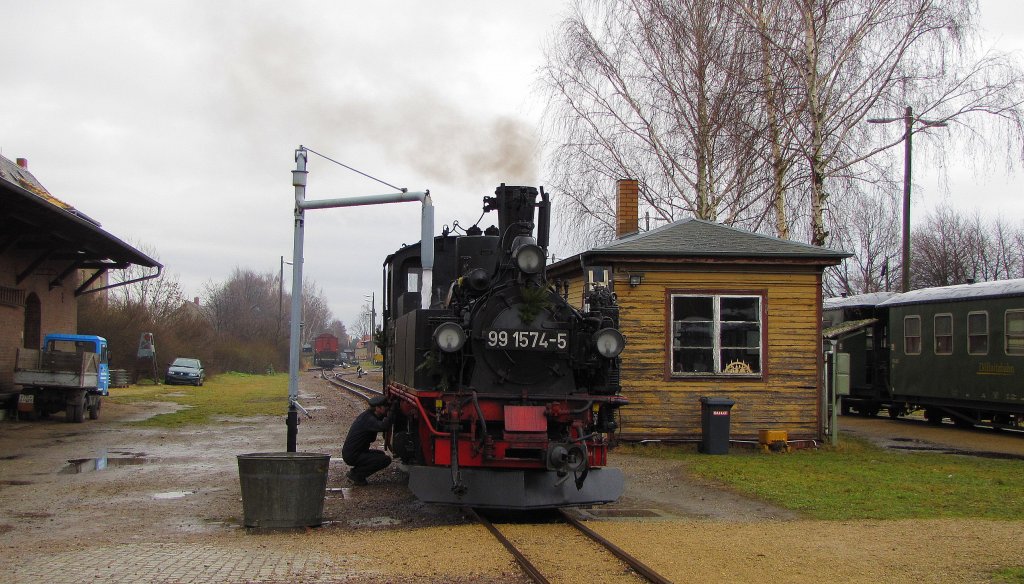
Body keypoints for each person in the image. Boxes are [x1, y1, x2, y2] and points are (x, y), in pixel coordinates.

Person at [341, 395, 394, 485]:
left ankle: (356, 472)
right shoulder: (369, 419)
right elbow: (384, 426)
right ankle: (357, 475)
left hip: (355, 452)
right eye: (385, 407)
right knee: (385, 460)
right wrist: (392, 412)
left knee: (380, 454)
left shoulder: (369, 415)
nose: (387, 409)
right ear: (377, 408)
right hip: (352, 455)